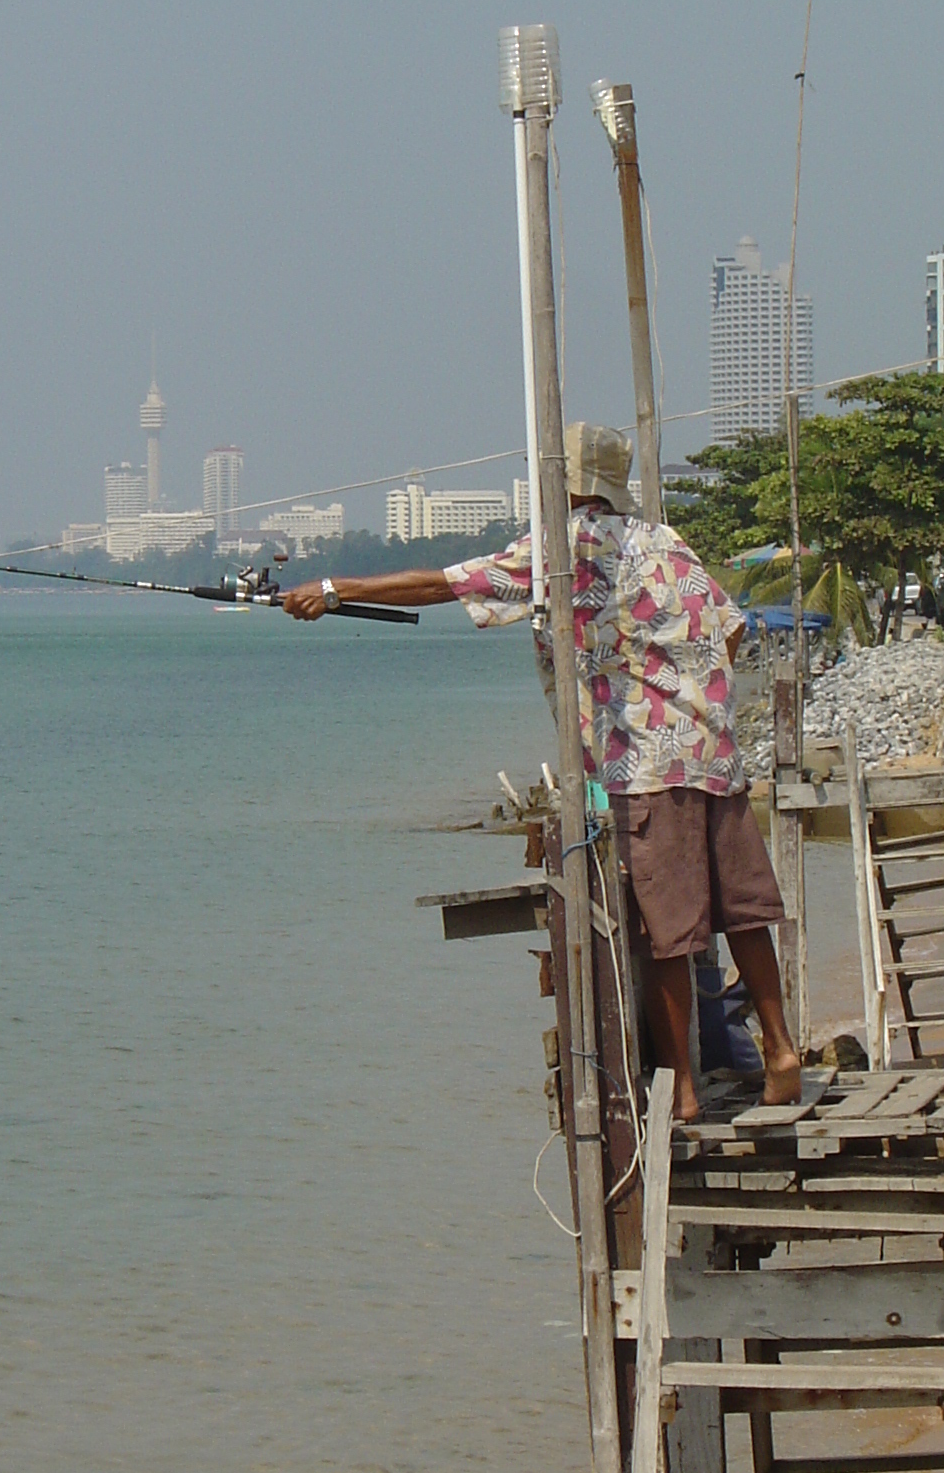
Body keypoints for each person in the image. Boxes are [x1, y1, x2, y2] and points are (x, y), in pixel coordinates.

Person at [279, 421, 802, 1118]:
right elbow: (732, 629)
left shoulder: (566, 550)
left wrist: (334, 587)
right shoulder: (667, 540)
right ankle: (781, 1046)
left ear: (565, 483)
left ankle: (680, 1087)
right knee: (744, 914)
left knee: (667, 934)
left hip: (642, 765)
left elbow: (446, 584)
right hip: (715, 757)